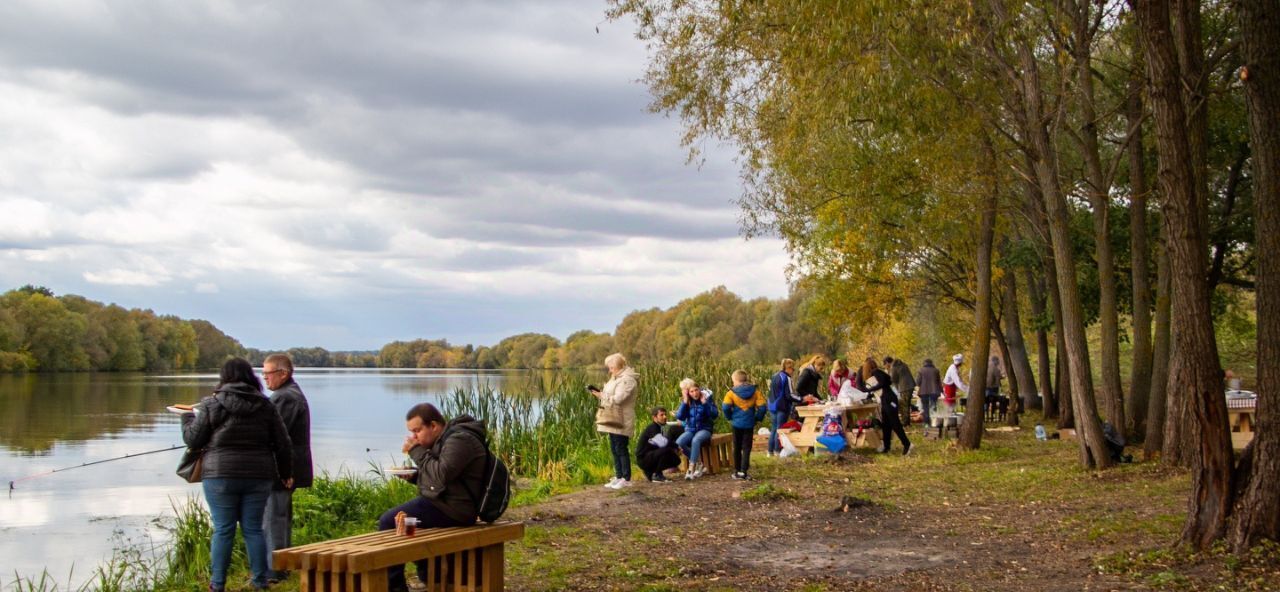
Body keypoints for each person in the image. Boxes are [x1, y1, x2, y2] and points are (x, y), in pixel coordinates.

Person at [182, 358, 292, 592]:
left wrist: (187, 417)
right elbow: (283, 443)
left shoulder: (212, 404)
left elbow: (193, 439)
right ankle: (260, 581)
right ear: (250, 377)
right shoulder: (266, 405)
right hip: (259, 475)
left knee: (223, 528)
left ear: (224, 378)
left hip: (220, 475)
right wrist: (285, 473)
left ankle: (217, 584)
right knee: (253, 528)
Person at [380, 403, 489, 592]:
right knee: (407, 525)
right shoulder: (446, 440)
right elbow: (443, 480)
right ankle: (430, 578)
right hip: (447, 504)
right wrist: (414, 477)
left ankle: (396, 588)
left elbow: (441, 474)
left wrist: (415, 451)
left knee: (388, 522)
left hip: (454, 510)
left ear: (434, 426)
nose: (414, 437)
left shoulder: (459, 440)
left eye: (417, 431)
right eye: (411, 433)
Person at [261, 353, 312, 583]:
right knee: (278, 516)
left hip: (283, 467)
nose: (265, 379)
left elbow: (275, 435)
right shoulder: (286, 394)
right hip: (287, 466)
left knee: (274, 518)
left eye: (268, 374)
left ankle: (275, 571)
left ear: (284, 373)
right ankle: (281, 566)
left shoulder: (286, 397)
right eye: (263, 374)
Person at [590, 353, 639, 490]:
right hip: (612, 417)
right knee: (614, 447)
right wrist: (601, 394)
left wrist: (601, 395)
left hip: (622, 418)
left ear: (618, 367)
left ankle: (626, 478)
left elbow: (618, 399)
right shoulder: (615, 378)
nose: (609, 370)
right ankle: (618, 476)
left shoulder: (627, 380)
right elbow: (610, 396)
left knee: (621, 447)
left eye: (611, 367)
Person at [722, 370, 767, 480]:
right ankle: (744, 471)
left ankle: (736, 470)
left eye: (733, 381)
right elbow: (762, 407)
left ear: (736, 381)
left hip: (736, 424)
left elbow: (725, 407)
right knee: (747, 448)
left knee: (737, 447)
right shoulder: (756, 392)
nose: (733, 383)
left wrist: (729, 417)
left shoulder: (731, 393)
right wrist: (757, 418)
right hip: (749, 424)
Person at [861, 358, 911, 455]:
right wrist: (870, 393)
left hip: (889, 400)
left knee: (895, 423)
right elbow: (886, 382)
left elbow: (882, 383)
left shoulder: (876, 372)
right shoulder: (878, 373)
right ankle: (887, 446)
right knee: (886, 425)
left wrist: (870, 389)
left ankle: (906, 444)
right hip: (886, 400)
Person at [675, 378, 718, 479]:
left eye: (696, 390)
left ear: (699, 389)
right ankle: (699, 463)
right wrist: (685, 401)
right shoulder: (687, 401)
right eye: (691, 391)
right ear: (688, 393)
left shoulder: (706, 398)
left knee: (696, 440)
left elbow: (714, 415)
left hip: (705, 429)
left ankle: (691, 469)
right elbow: (680, 417)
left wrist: (705, 404)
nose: (695, 393)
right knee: (679, 443)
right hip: (690, 429)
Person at [635, 407, 682, 483]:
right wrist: (676, 446)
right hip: (643, 459)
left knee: (676, 460)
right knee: (667, 451)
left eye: (665, 414)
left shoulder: (658, 427)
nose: (665, 417)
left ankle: (651, 473)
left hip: (649, 456)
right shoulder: (652, 428)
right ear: (654, 417)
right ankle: (656, 474)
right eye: (661, 415)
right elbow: (663, 443)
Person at [767, 359, 802, 456]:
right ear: (789, 368)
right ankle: (777, 450)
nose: (793, 371)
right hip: (782, 406)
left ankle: (770, 451)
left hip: (772, 405)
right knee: (780, 429)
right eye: (793, 369)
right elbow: (789, 395)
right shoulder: (787, 378)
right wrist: (802, 399)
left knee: (774, 428)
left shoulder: (775, 376)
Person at [886, 356, 917, 426]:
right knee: (906, 404)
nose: (886, 366)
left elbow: (893, 379)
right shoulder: (902, 364)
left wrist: (888, 374)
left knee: (903, 405)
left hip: (904, 387)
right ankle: (907, 421)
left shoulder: (894, 367)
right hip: (910, 386)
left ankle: (905, 422)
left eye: (885, 365)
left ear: (887, 363)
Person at [916, 358, 943, 427]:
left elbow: (918, 383)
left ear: (924, 363)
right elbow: (939, 382)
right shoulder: (936, 370)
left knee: (925, 408)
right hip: (934, 392)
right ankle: (934, 422)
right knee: (933, 407)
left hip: (923, 392)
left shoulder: (921, 370)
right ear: (932, 363)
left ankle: (927, 423)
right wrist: (942, 391)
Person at [985, 355, 1006, 420]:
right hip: (993, 389)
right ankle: (993, 414)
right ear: (995, 361)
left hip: (985, 388)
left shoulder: (987, 367)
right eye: (998, 361)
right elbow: (997, 380)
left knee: (986, 401)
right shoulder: (996, 369)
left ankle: (986, 413)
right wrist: (1003, 377)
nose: (998, 362)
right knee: (994, 400)